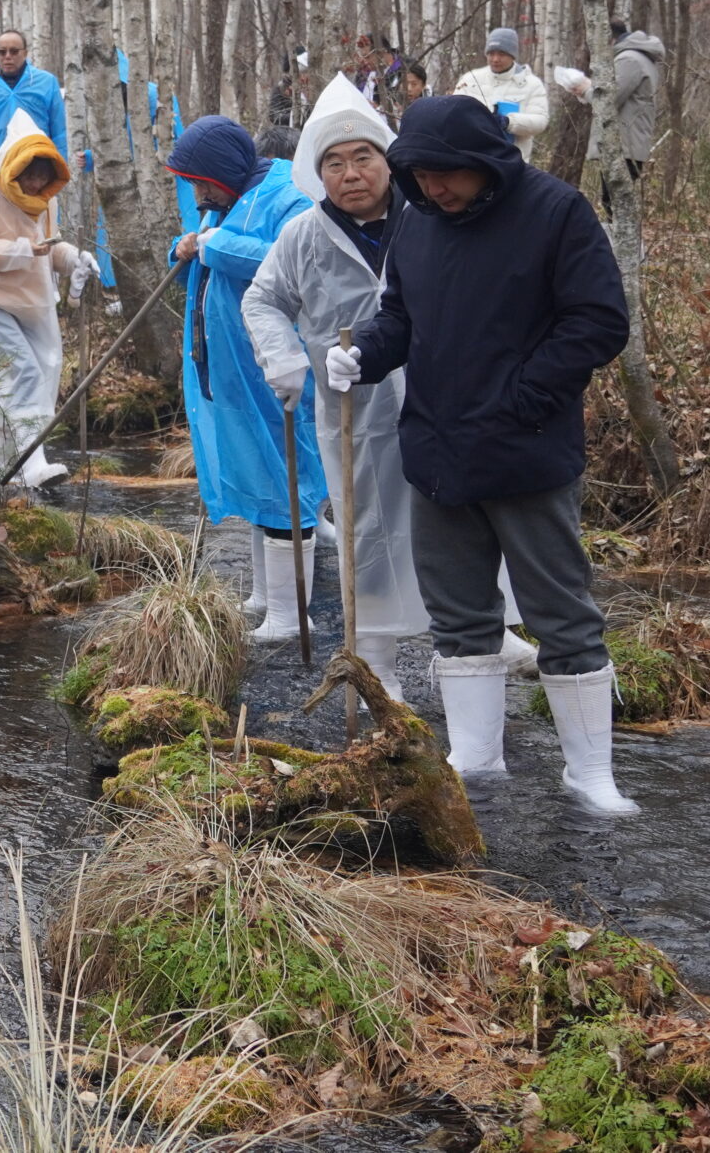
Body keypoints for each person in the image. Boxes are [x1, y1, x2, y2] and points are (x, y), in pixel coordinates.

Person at [327, 95, 636, 815]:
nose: (434, 188)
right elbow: (400, 315)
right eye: (420, 175)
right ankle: (476, 756)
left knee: (559, 612)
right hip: (437, 450)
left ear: (483, 161)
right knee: (459, 613)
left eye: (447, 174)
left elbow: (598, 320)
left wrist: (523, 396)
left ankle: (590, 772)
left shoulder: (556, 212)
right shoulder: (416, 222)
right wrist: (364, 354)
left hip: (527, 448)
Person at [238, 79, 432, 699]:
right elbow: (263, 299)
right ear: (318, 173)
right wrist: (284, 359)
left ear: (387, 159)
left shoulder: (429, 219)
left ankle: (477, 639)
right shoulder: (304, 235)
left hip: (439, 398)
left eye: (362, 157)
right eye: (334, 163)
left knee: (454, 519)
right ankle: (376, 667)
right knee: (365, 530)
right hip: (354, 409)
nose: (351, 174)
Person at [163, 115, 324, 644]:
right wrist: (185, 247)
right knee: (259, 483)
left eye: (201, 182)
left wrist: (210, 245)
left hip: (275, 371)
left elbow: (289, 259)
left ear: (223, 171)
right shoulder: (229, 199)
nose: (198, 194)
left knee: (286, 482)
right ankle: (266, 596)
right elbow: (204, 250)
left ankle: (291, 614)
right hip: (234, 374)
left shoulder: (289, 197)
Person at [0, 107, 97, 489]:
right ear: (12, 168)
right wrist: (20, 250)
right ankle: (33, 463)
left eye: (42, 177)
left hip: (32, 301)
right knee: (24, 371)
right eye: (28, 175)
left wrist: (75, 258)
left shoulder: (45, 202)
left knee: (37, 372)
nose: (34, 184)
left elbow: (48, 247)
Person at [0, 29, 69, 168]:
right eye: (2, 52)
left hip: (37, 167)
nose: (7, 56)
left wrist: (61, 166)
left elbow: (59, 131)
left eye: (14, 51)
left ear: (25, 53)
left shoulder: (46, 82)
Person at [452, 27, 551, 162]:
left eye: (502, 54)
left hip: (513, 162)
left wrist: (509, 122)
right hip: (473, 160)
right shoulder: (470, 79)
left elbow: (540, 121)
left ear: (513, 55)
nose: (495, 59)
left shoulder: (531, 84)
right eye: (491, 53)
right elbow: (453, 113)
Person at [611, 22, 665, 178]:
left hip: (625, 144)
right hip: (632, 143)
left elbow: (610, 100)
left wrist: (584, 89)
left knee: (615, 193)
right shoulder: (640, 57)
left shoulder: (629, 59)